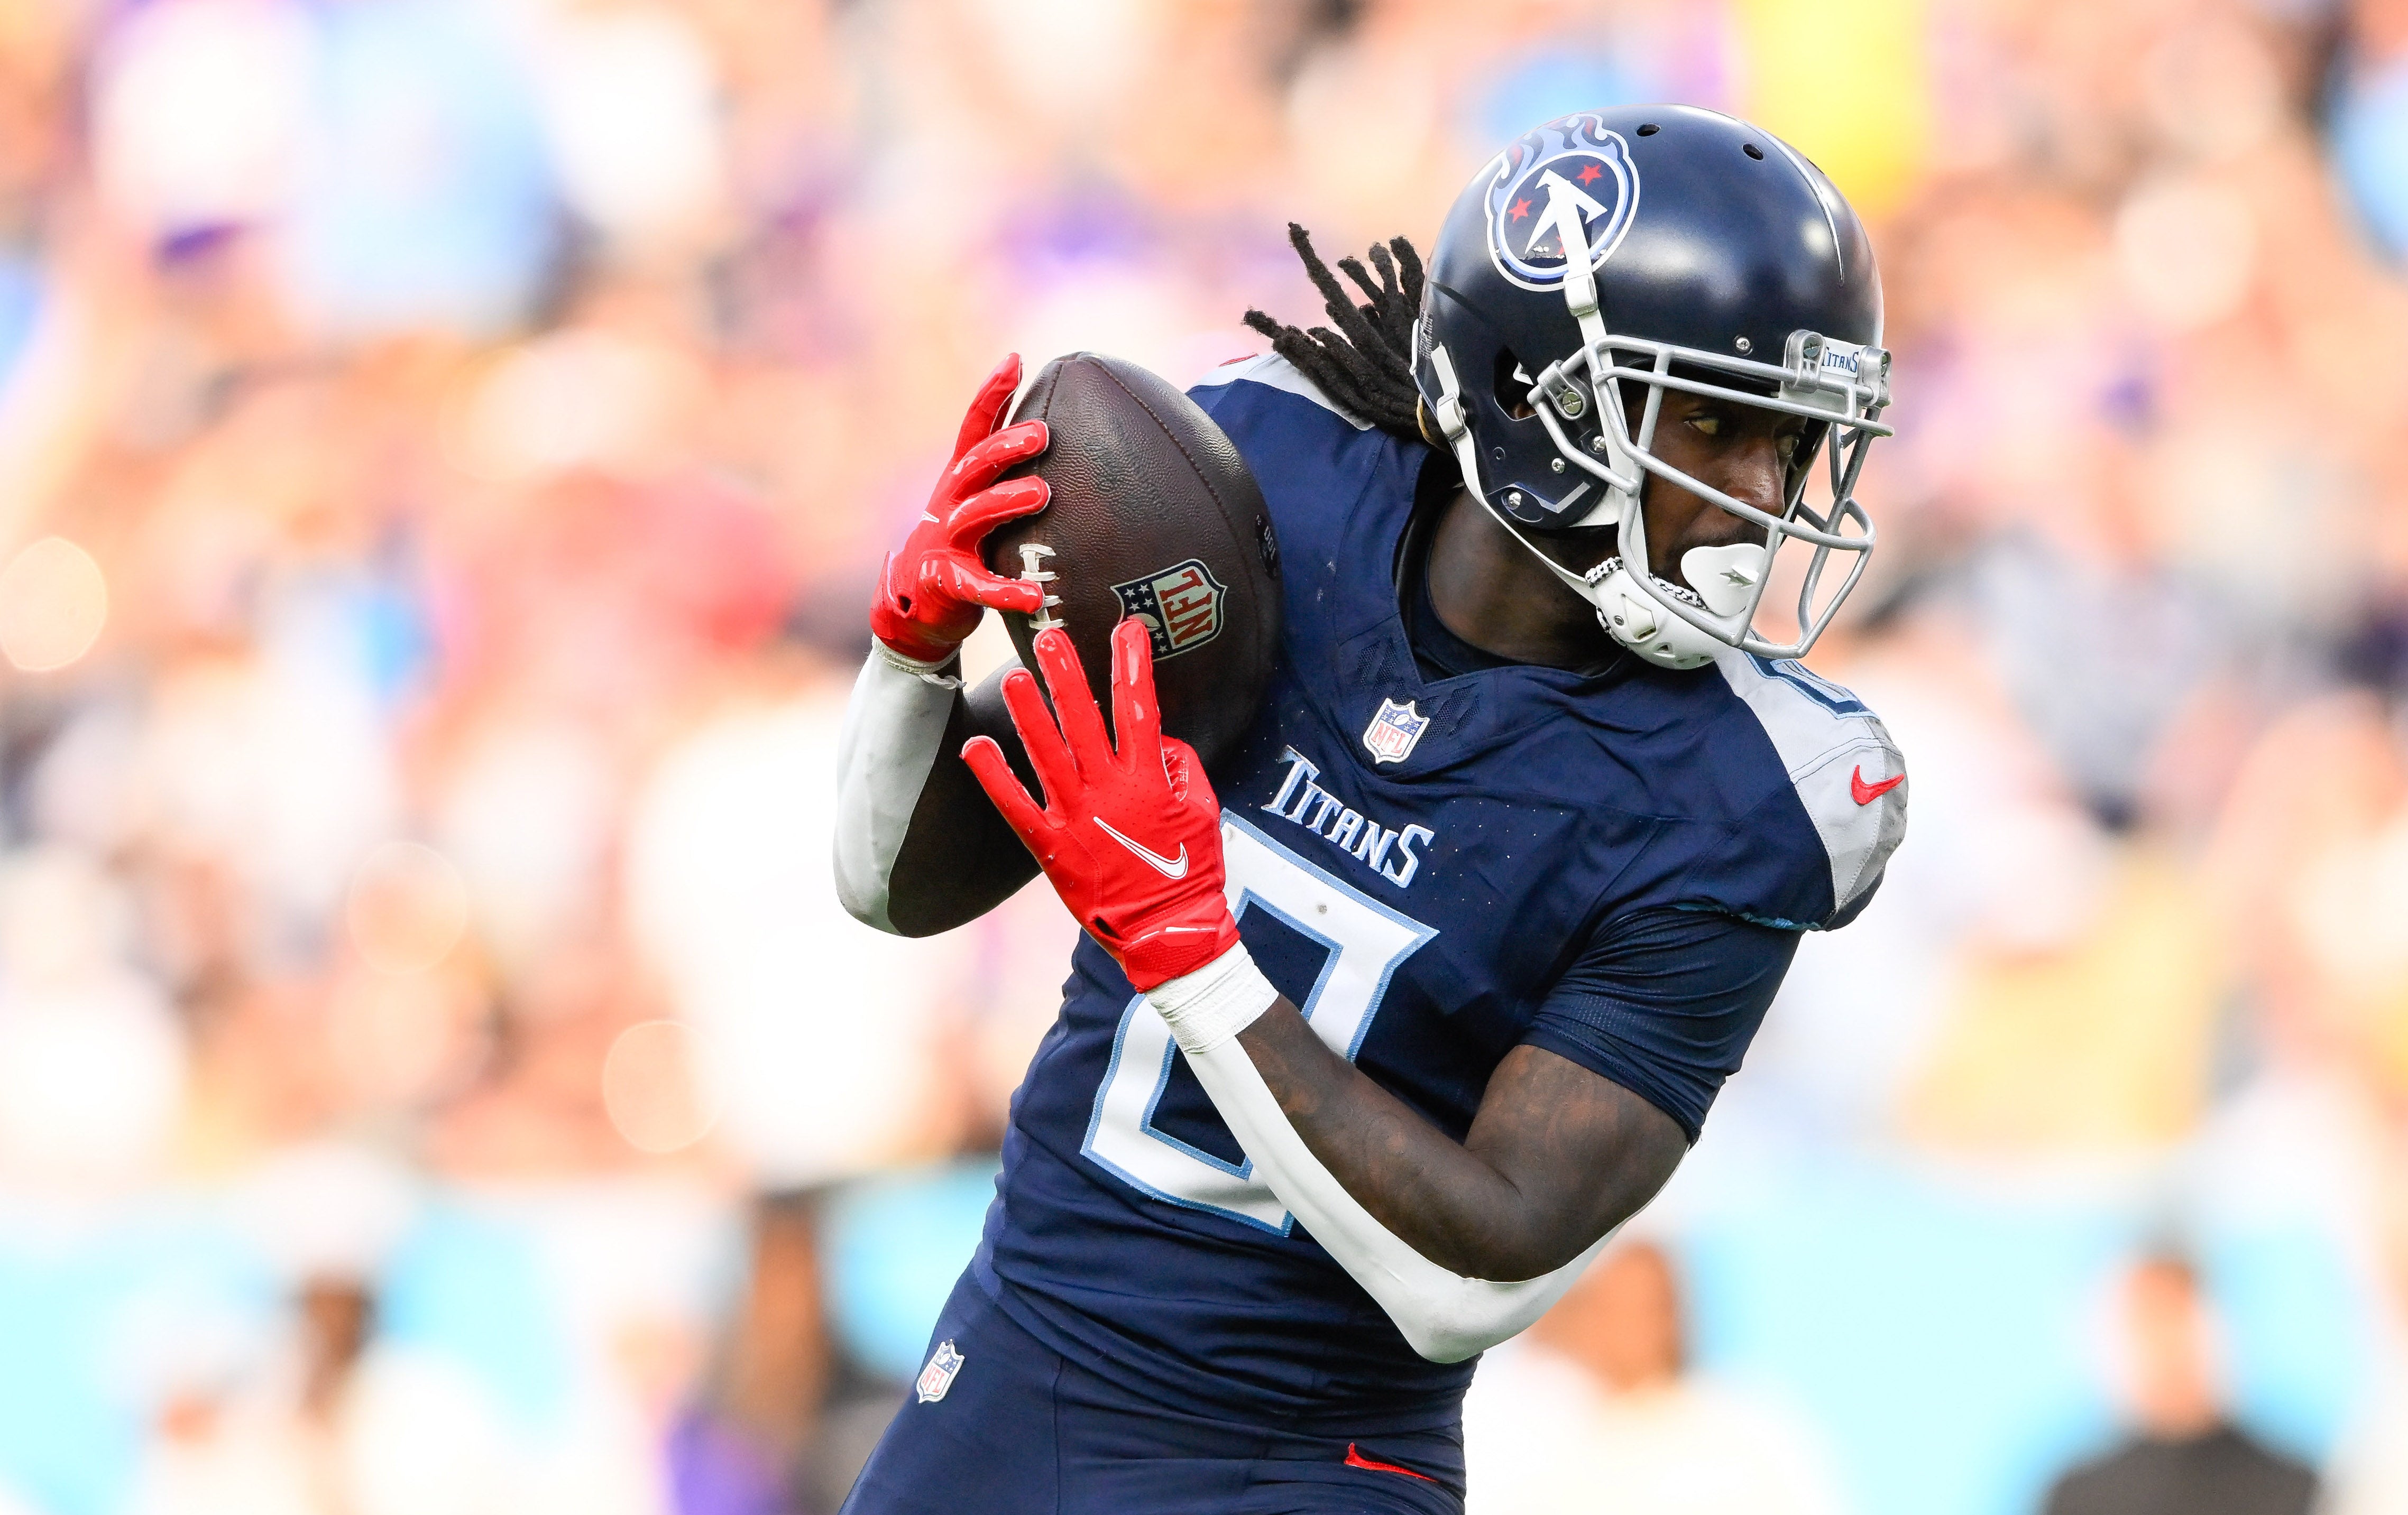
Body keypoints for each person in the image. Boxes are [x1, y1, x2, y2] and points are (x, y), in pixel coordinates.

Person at [831, 104, 1906, 1514]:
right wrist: (912, 655)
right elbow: (889, 883)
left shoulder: (1756, 793)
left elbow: (1472, 1277)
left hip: (1307, 1461)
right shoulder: (1262, 485)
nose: (1761, 502)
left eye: (1790, 444)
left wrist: (1192, 957)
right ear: (1542, 395)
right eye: (1716, 427)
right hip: (1013, 1362)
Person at [1463, 1240, 1849, 1515]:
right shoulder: (1538, 1432)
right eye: (1615, 1307)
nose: (1634, 1325)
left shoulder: (1746, 1427)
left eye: (1649, 1306)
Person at [2038, 1252, 2317, 1515]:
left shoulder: (2291, 1487)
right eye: (2147, 1322)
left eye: (2176, 1317)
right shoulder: (2080, 1498)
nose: (2163, 1344)